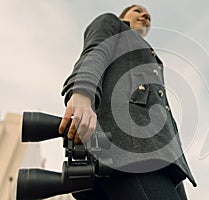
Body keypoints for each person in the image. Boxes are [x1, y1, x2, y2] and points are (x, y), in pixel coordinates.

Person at [59, 4, 196, 200]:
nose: (145, 15)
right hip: (129, 146)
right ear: (124, 15)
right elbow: (95, 51)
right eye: (138, 11)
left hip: (163, 154)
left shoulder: (150, 54)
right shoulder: (112, 23)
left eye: (148, 15)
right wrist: (82, 92)